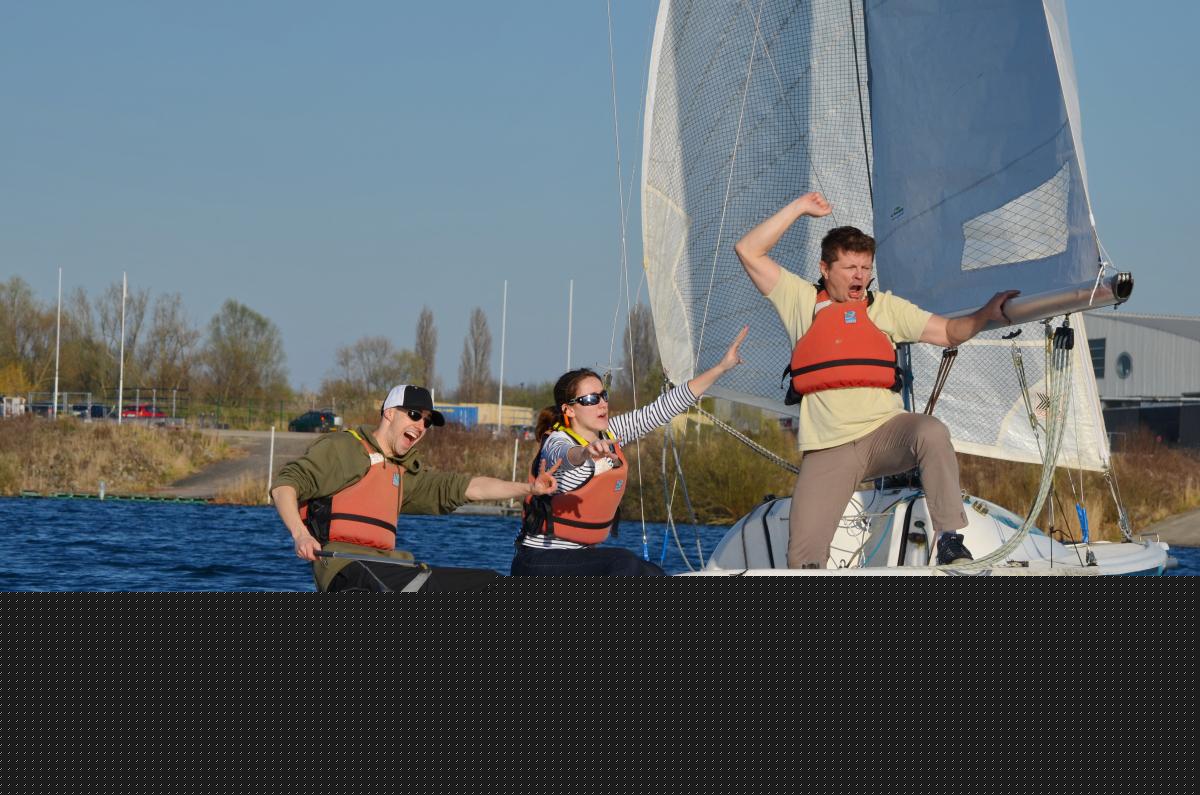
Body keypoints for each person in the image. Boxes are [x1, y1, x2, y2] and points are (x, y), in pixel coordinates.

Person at [734, 192, 1018, 568]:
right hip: (828, 448)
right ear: (825, 269)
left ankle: (950, 541)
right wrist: (799, 208)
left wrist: (985, 314)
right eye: (850, 267)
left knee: (931, 431)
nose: (860, 276)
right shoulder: (799, 301)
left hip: (884, 434)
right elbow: (748, 250)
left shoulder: (884, 307)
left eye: (866, 268)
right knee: (803, 561)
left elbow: (950, 332)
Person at [271, 384, 558, 591]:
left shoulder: (404, 472)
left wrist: (529, 488)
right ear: (389, 413)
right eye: (413, 414)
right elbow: (284, 486)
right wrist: (300, 535)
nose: (421, 425)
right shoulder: (342, 449)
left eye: (427, 421)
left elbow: (471, 488)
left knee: (490, 582)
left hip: (391, 566)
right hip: (344, 567)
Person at [513, 327, 748, 576]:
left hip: (579, 559)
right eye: (591, 399)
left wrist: (721, 367)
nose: (602, 404)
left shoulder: (611, 433)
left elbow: (663, 408)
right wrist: (586, 452)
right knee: (623, 562)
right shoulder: (557, 441)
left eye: (603, 395)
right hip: (537, 562)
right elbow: (566, 456)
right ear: (569, 410)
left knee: (652, 572)